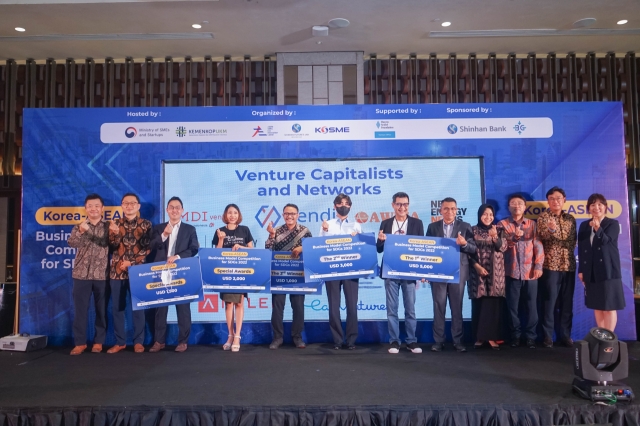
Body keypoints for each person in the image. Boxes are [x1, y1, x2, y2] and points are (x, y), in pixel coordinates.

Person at [148, 196, 199, 353]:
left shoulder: (190, 229)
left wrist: (177, 257)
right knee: (160, 308)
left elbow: (194, 249)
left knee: (183, 308)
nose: (175, 210)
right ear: (167, 210)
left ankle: (183, 341)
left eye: (178, 207)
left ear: (182, 210)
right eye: (171, 207)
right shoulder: (158, 228)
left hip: (181, 272)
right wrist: (164, 235)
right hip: (161, 273)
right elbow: (150, 247)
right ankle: (159, 341)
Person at [426, 197, 476, 352]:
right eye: (446, 208)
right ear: (440, 210)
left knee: (457, 307)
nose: (449, 211)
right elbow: (427, 250)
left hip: (458, 272)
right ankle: (438, 341)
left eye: (453, 208)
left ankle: (457, 341)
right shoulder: (432, 227)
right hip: (438, 274)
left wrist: (465, 244)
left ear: (457, 210)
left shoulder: (465, 226)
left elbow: (474, 249)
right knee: (438, 307)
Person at [377, 192, 424, 354]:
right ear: (393, 205)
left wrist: (421, 270)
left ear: (408, 205)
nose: (402, 207)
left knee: (410, 308)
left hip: (409, 271)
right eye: (398, 204)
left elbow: (421, 248)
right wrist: (381, 240)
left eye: (405, 204)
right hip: (390, 271)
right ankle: (394, 342)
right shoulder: (385, 222)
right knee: (392, 309)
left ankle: (411, 341)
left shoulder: (417, 223)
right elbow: (378, 249)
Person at [107, 193, 152, 354]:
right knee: (117, 308)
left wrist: (131, 263)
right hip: (117, 272)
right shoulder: (115, 223)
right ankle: (120, 342)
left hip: (138, 271)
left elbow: (148, 248)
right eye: (126, 203)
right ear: (122, 206)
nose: (129, 206)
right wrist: (113, 233)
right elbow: (112, 247)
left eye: (133, 203)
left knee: (138, 308)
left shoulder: (146, 224)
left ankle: (138, 342)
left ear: (138, 206)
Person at [497, 194, 544, 349]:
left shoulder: (532, 224)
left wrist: (538, 266)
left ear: (525, 207)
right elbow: (501, 247)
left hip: (530, 272)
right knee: (512, 307)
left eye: (520, 203)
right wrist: (515, 238)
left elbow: (538, 246)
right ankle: (515, 337)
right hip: (510, 272)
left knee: (532, 306)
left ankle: (531, 337)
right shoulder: (502, 224)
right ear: (509, 207)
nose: (516, 206)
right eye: (513, 203)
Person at [67, 194, 110, 355]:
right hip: (81, 275)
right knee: (80, 311)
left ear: (102, 208)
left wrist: (114, 233)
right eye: (90, 206)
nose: (93, 208)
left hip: (102, 275)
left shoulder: (108, 227)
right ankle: (80, 343)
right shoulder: (79, 226)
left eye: (96, 205)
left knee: (101, 311)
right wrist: (80, 231)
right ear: (85, 208)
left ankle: (98, 342)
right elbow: (72, 243)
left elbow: (114, 244)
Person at [265, 203, 312, 349]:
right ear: (283, 215)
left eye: (292, 214)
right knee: (278, 307)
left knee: (298, 307)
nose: (289, 216)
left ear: (297, 215)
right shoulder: (276, 230)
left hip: (298, 275)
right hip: (279, 275)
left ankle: (297, 337)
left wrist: (302, 247)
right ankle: (277, 338)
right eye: (286, 213)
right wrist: (272, 236)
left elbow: (312, 248)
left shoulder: (304, 231)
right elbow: (268, 250)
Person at [319, 194, 362, 350]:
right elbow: (320, 246)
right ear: (334, 206)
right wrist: (324, 231)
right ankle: (337, 340)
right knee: (333, 306)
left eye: (346, 203)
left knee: (352, 306)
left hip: (351, 270)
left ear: (350, 206)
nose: (343, 205)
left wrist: (358, 238)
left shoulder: (356, 225)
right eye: (340, 203)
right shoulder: (327, 224)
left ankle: (351, 341)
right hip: (331, 271)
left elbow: (360, 247)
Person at [577, 193, 626, 331]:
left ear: (605, 207)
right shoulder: (584, 225)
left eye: (599, 204)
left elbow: (606, 241)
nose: (596, 207)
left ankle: (609, 339)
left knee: (609, 307)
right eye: (592, 205)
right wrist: (581, 270)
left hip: (608, 270)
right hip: (591, 271)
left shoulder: (612, 224)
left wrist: (598, 228)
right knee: (597, 305)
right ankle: (601, 336)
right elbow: (582, 249)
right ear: (588, 208)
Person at [537, 186, 577, 348]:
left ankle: (565, 336)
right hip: (550, 266)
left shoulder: (570, 219)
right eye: (552, 198)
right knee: (549, 302)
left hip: (569, 266)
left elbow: (573, 240)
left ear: (564, 200)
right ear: (548, 201)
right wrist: (551, 230)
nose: (555, 201)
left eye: (558, 198)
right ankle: (548, 336)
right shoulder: (543, 217)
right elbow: (542, 237)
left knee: (567, 303)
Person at [212, 204, 254, 352]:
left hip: (242, 272)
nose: (232, 215)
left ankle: (237, 336)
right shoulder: (220, 231)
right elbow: (215, 253)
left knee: (240, 304)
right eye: (229, 213)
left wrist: (240, 247)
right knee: (228, 304)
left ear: (239, 215)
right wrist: (221, 240)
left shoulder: (245, 230)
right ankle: (229, 335)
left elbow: (252, 250)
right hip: (225, 272)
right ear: (225, 215)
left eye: (235, 212)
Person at [468, 204, 507, 350]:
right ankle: (479, 338)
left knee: (492, 306)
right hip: (477, 272)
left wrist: (494, 237)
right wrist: (476, 266)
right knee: (479, 304)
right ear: (479, 215)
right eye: (485, 214)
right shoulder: (471, 230)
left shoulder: (499, 230)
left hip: (495, 274)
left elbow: (503, 248)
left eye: (491, 214)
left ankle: (491, 338)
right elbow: (467, 251)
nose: (488, 217)